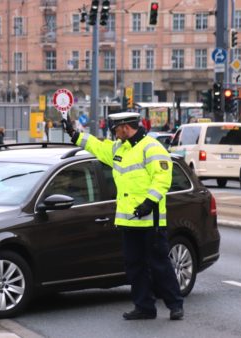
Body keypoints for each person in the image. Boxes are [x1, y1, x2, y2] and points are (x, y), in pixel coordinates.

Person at [62, 112, 184, 321]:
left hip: (151, 220)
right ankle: (144, 307)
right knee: (134, 265)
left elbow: (162, 179)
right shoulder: (119, 148)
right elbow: (98, 147)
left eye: (115, 129)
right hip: (128, 221)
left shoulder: (152, 147)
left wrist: (149, 202)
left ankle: (175, 305)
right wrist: (75, 134)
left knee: (159, 264)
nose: (114, 134)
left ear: (125, 128)